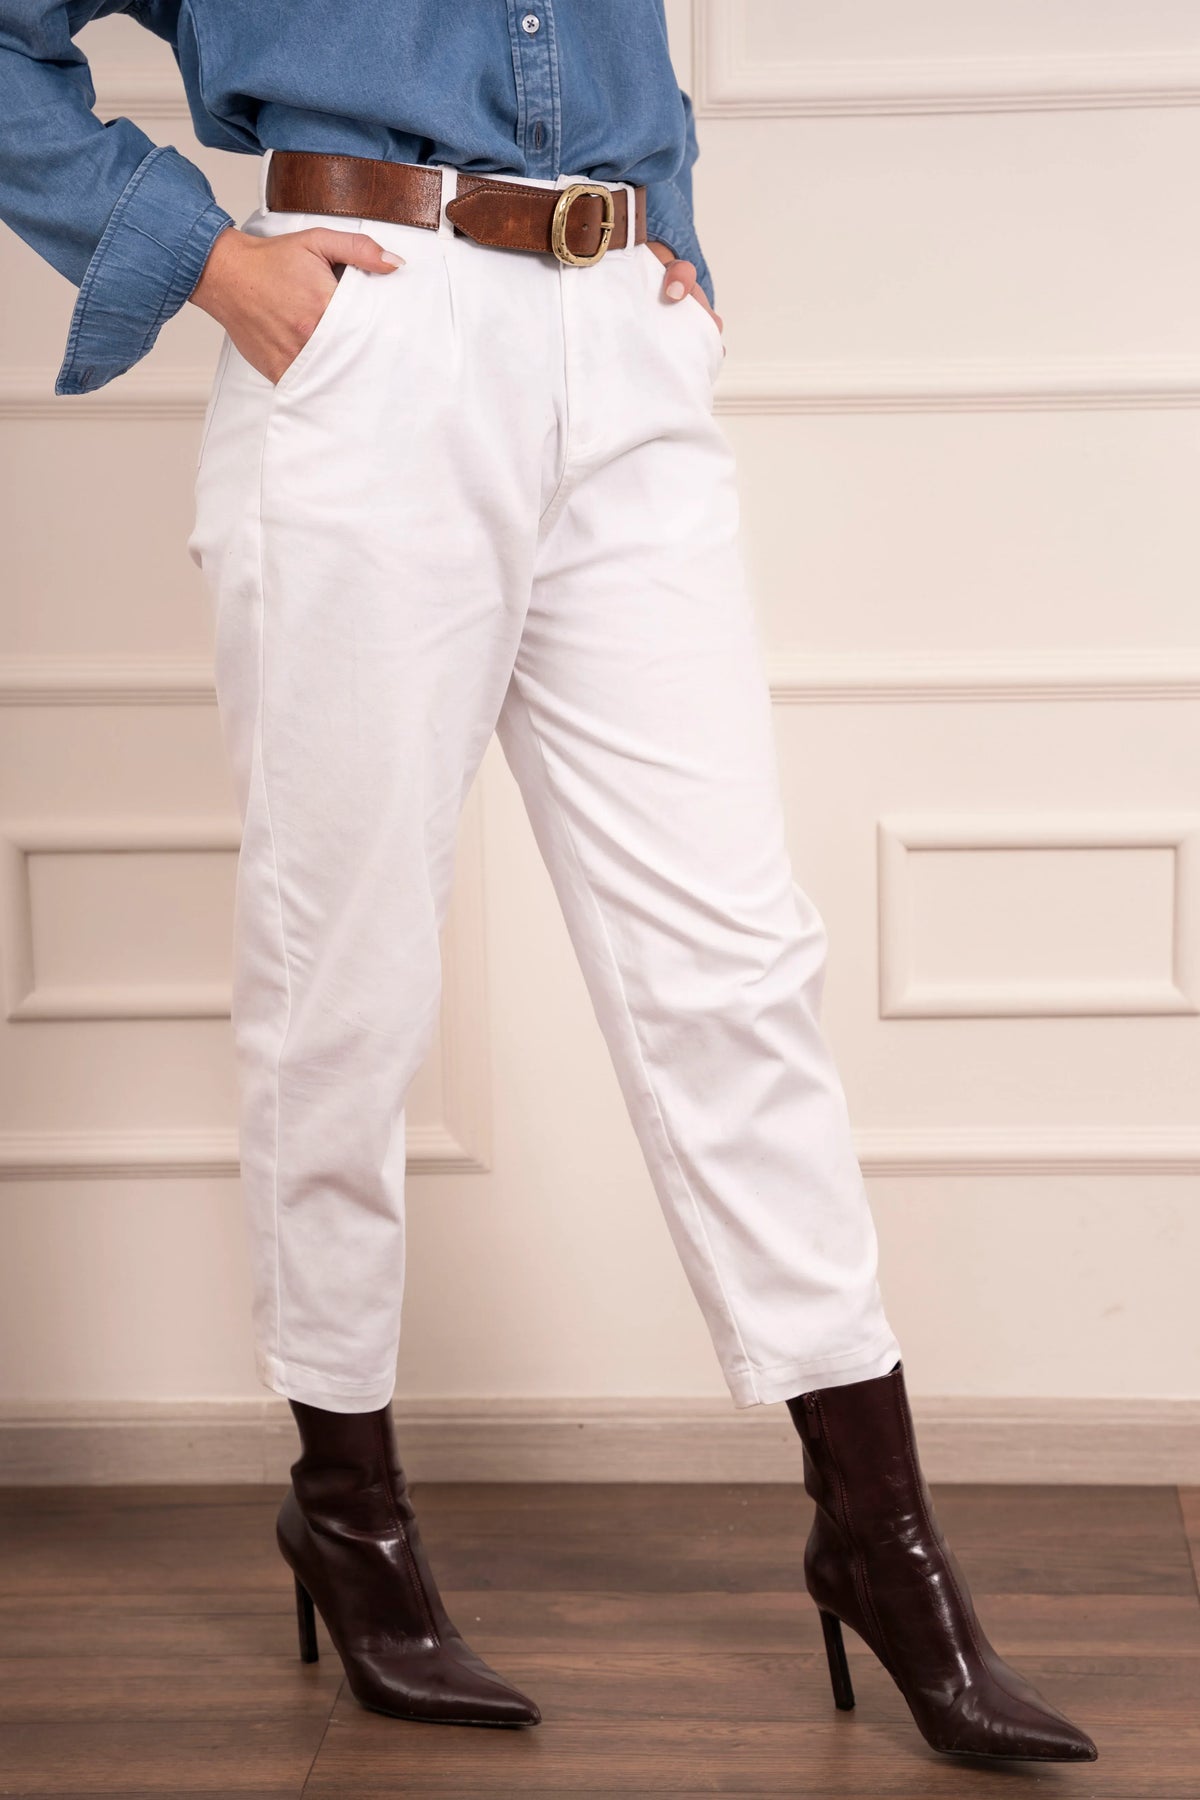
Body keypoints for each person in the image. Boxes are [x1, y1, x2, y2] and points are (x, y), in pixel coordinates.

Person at [0, 0, 1096, 1763]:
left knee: (734, 960)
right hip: (367, 336)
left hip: (621, 337)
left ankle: (880, 1537)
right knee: (346, 972)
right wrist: (201, 259)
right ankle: (348, 1510)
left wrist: (674, 240)